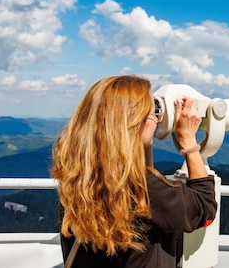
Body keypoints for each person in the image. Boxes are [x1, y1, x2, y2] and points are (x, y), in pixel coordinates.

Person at [51, 75, 217, 268]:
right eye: (152, 108)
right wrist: (188, 141)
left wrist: (143, 141)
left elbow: (139, 172)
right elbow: (205, 208)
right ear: (133, 120)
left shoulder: (78, 178)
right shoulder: (144, 189)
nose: (156, 116)